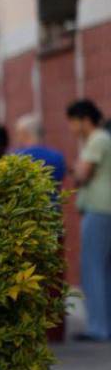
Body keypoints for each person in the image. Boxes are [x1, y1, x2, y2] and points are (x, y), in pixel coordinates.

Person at [68, 99, 111, 341]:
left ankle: (98, 327)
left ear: (84, 120)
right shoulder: (103, 138)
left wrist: (75, 170)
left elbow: (83, 173)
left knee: (92, 267)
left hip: (98, 208)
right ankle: (104, 324)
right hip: (104, 207)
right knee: (103, 269)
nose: (72, 129)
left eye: (73, 123)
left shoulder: (97, 139)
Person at [13, 114, 67, 185]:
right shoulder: (58, 156)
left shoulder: (17, 158)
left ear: (24, 133)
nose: (17, 138)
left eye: (17, 134)